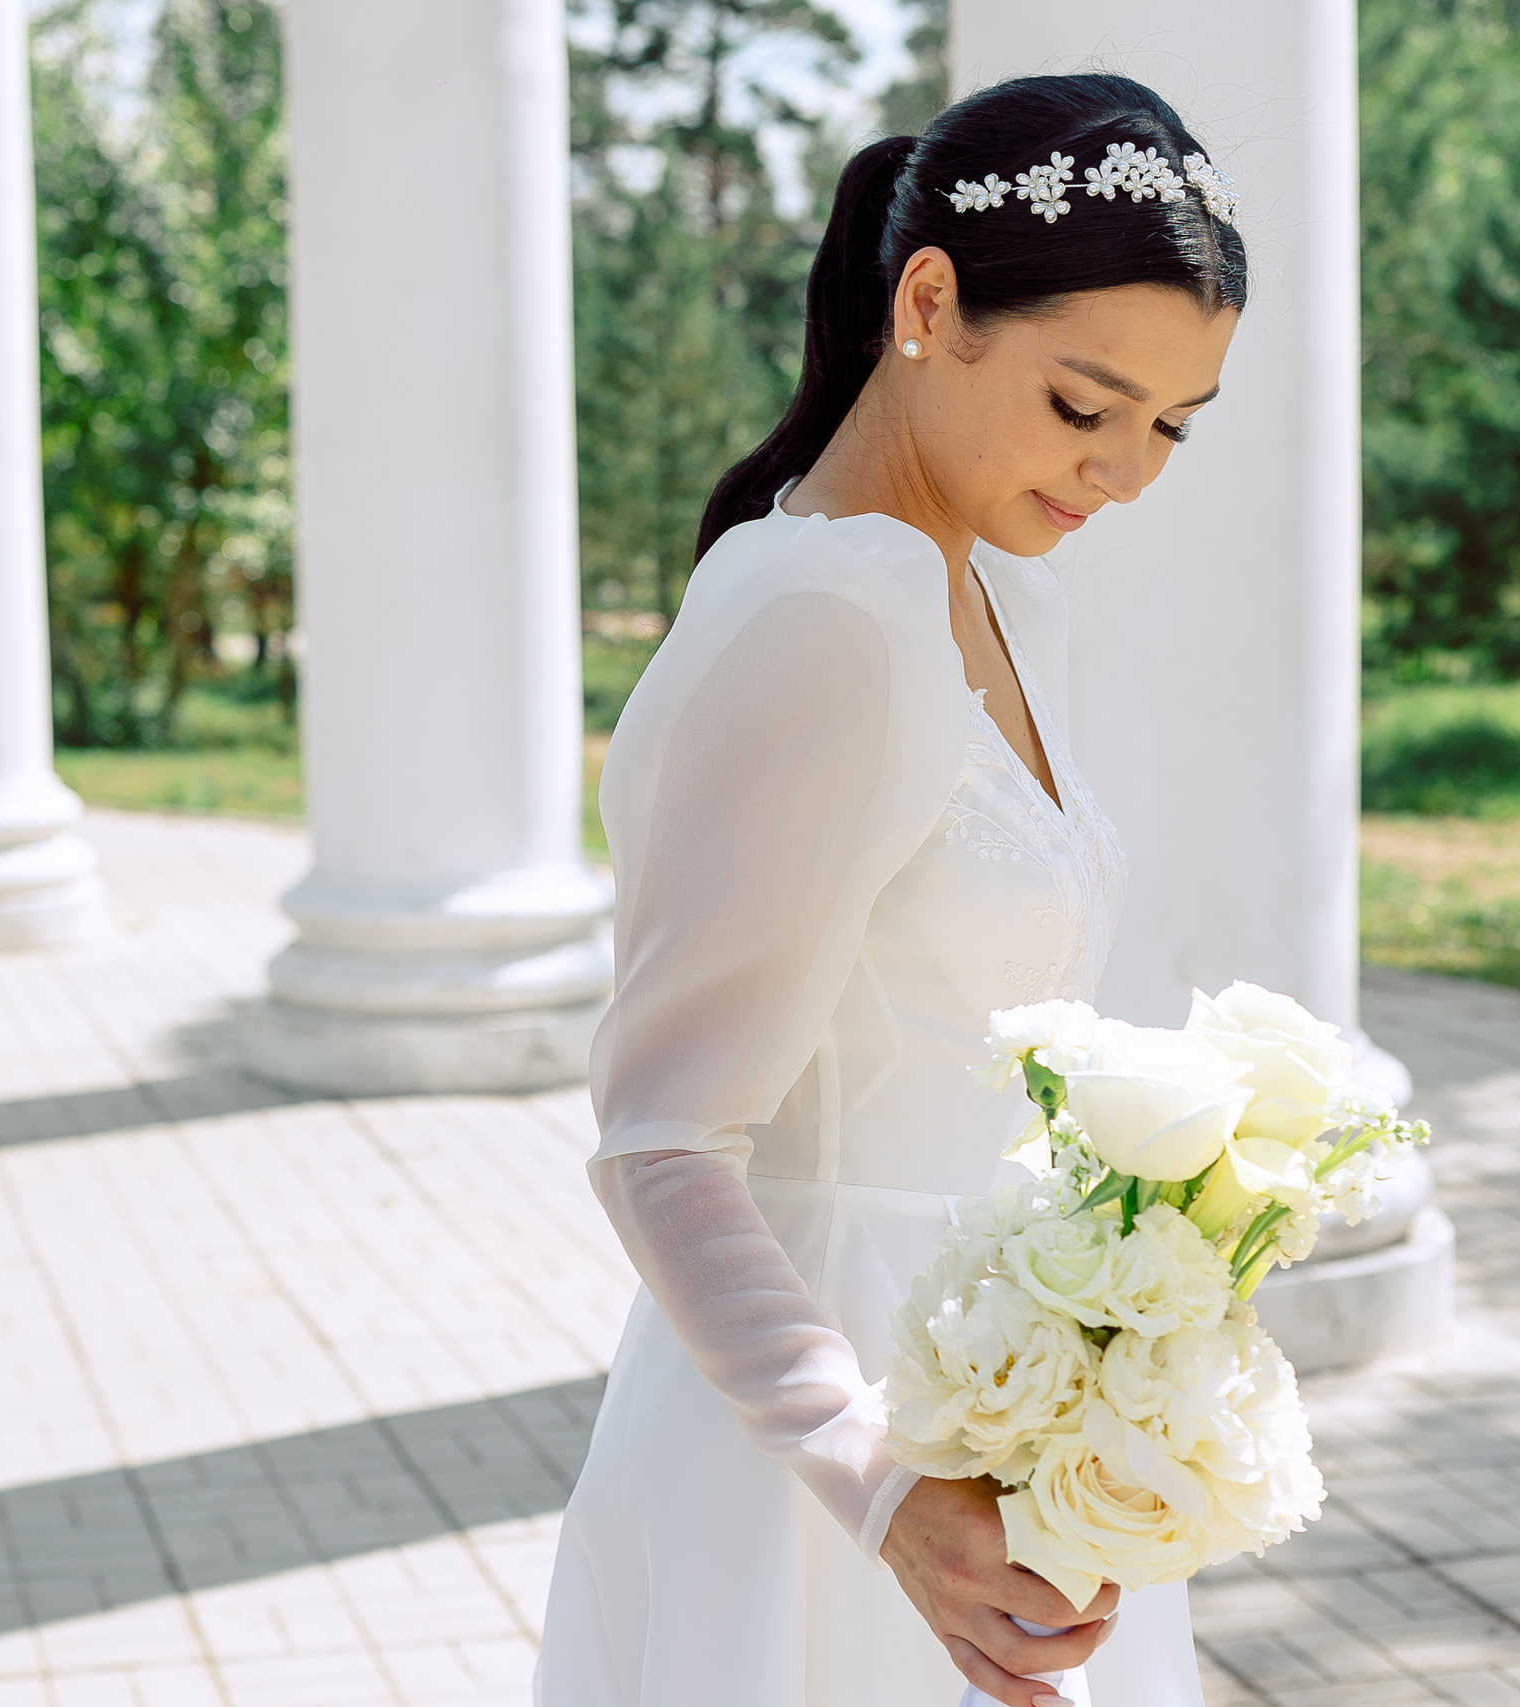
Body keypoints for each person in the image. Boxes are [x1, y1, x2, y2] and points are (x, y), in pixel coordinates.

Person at [534, 74, 1247, 1707]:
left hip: (1021, 1409)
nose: (1127, 473)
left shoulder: (1000, 600)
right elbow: (659, 1139)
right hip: (843, 1450)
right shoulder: (827, 614)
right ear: (929, 301)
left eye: (1170, 427)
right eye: (1086, 407)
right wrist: (881, 1493)